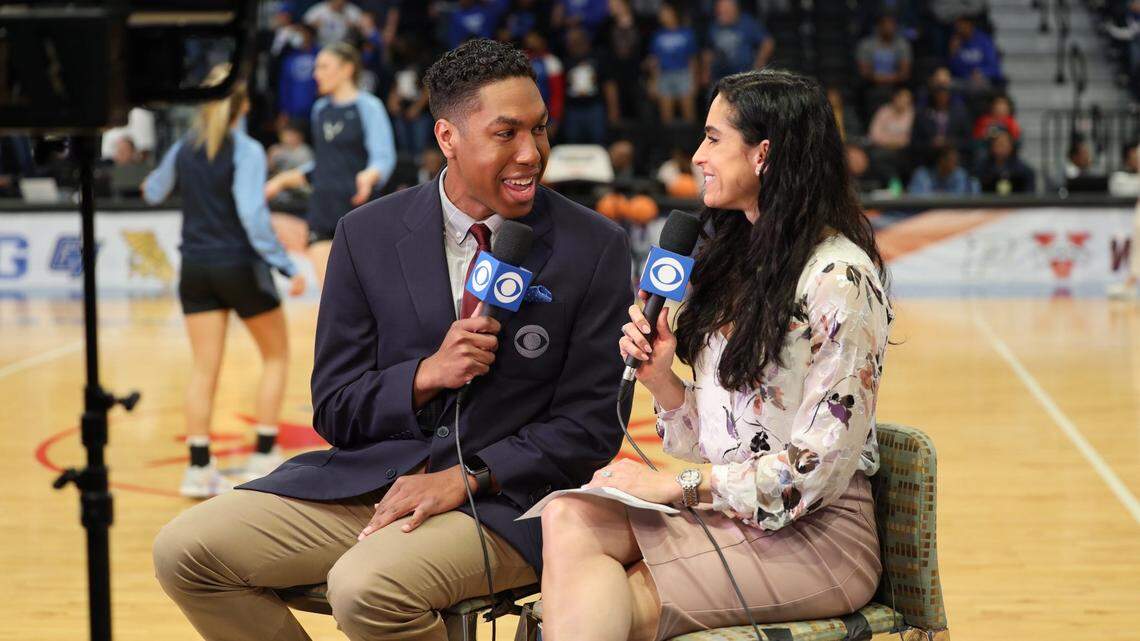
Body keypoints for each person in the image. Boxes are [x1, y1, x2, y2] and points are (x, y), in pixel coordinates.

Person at [153, 38, 632, 641]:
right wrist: (423, 374)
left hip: (510, 502)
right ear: (447, 138)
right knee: (186, 550)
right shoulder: (366, 234)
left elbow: (593, 423)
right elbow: (334, 407)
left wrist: (469, 475)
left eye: (540, 130)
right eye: (505, 133)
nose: (531, 154)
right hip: (370, 483)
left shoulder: (594, 246)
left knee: (367, 587)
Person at [538, 69, 892, 641]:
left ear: (763, 155)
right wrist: (663, 382)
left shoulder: (840, 276)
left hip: (816, 533)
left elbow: (816, 472)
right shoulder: (737, 258)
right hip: (735, 513)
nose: (698, 155)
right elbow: (727, 437)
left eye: (713, 138)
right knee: (569, 513)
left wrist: (679, 486)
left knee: (605, 604)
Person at [142, 71, 306, 498]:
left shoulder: (184, 147)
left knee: (203, 368)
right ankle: (264, 453)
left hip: (195, 267)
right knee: (275, 356)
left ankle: (198, 468)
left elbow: (152, 191)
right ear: (243, 105)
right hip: (238, 265)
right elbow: (252, 216)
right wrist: (287, 266)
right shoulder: (247, 150)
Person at [264, 42, 396, 287]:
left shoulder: (368, 107)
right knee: (331, 296)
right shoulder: (320, 109)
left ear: (347, 69)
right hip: (322, 212)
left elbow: (384, 157)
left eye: (324, 66)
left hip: (359, 212)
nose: (316, 74)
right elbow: (322, 165)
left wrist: (369, 175)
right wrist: (281, 181)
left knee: (363, 298)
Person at [703, 0, 774, 87]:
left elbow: (768, 42)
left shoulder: (747, 23)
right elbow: (708, 51)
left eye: (724, 10)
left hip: (744, 78)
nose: (720, 13)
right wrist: (706, 70)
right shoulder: (714, 26)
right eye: (719, 10)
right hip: (720, 78)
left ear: (734, 9)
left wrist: (759, 63)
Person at [649, 3, 699, 124]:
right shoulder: (657, 35)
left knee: (689, 117)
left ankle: (691, 141)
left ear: (673, 14)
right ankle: (669, 142)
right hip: (665, 75)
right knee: (666, 119)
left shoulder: (687, 33)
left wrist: (694, 80)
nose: (661, 15)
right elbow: (655, 61)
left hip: (684, 74)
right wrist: (654, 82)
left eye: (665, 12)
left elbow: (692, 59)